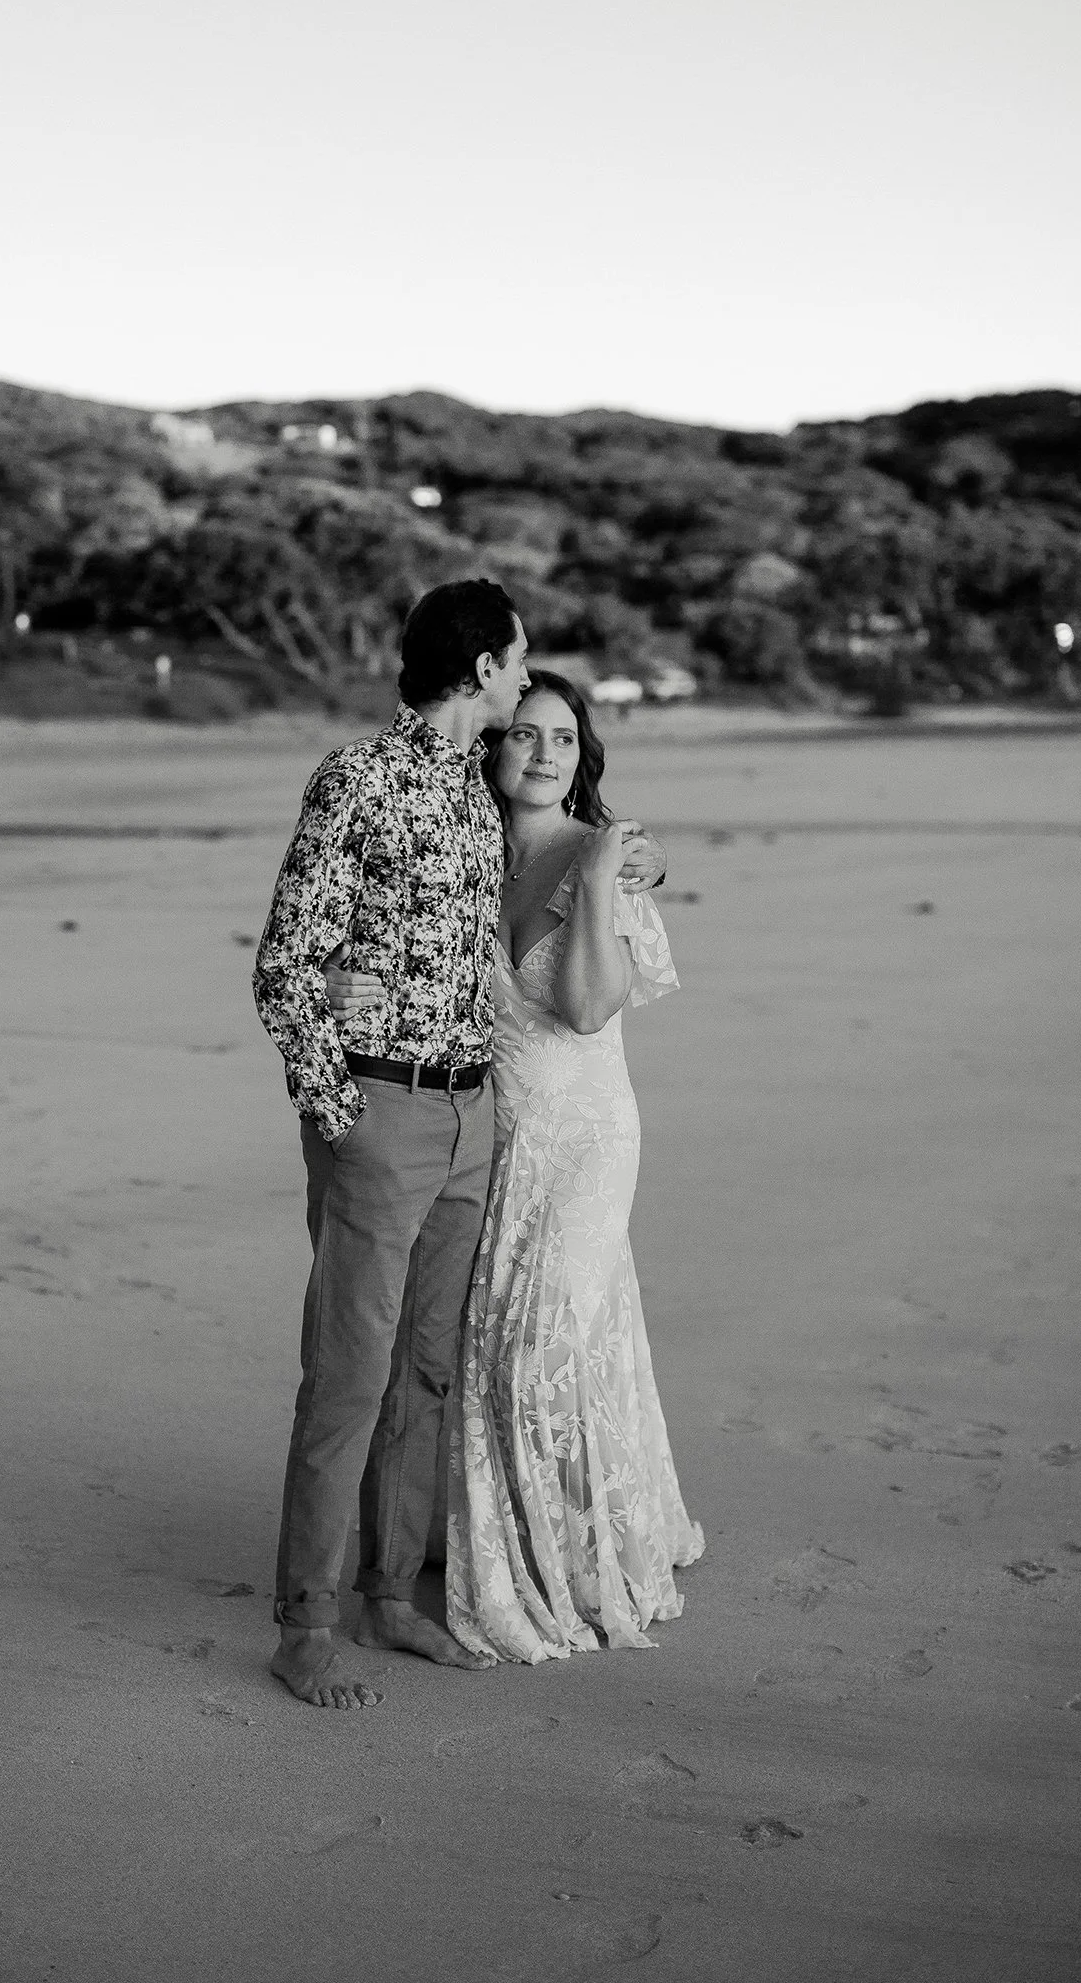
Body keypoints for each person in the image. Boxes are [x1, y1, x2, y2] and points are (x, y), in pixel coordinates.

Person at [253, 583, 664, 1711]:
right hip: (381, 1114)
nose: (524, 679)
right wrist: (339, 1116)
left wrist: (640, 863)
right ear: (483, 668)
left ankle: (389, 1595)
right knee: (349, 1374)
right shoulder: (358, 778)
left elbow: (563, 831)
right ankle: (305, 1623)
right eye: (517, 660)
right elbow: (285, 966)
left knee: (426, 1368)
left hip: (474, 1114)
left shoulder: (478, 790)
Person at [327, 670, 703, 1663]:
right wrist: (339, 981)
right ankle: (493, 1529)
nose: (541, 754)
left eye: (563, 740)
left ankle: (574, 1561)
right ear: (494, 748)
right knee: (482, 1344)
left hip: (583, 1138)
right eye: (524, 735)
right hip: (487, 1134)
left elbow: (584, 1008)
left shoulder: (604, 858)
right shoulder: (467, 848)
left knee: (550, 1343)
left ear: (583, 760)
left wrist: (602, 878)